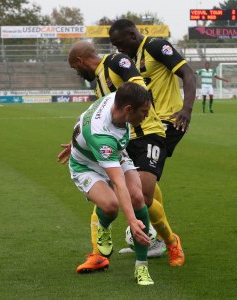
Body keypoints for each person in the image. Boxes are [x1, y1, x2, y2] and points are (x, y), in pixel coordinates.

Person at [61, 41, 185, 273]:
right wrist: (79, 142)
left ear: (79, 62)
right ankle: (98, 254)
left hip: (146, 134)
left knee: (143, 197)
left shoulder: (116, 61)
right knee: (113, 198)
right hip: (121, 138)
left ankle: (169, 241)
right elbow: (94, 117)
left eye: (74, 68)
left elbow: (140, 90)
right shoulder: (99, 81)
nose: (76, 72)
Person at [108, 18, 197, 261]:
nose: (119, 50)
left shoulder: (156, 47)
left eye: (120, 44)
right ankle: (157, 235)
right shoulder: (132, 59)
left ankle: (159, 239)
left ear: (132, 35)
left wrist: (186, 109)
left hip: (168, 122)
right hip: (146, 125)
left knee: (141, 189)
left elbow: (188, 74)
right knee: (144, 183)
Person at [68, 82, 154, 285]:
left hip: (114, 153)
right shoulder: (101, 135)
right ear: (128, 110)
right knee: (111, 206)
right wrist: (132, 221)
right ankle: (103, 226)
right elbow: (118, 182)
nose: (146, 116)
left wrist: (76, 141)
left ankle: (142, 266)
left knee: (138, 198)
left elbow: (84, 118)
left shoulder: (119, 98)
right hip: (86, 165)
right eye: (143, 112)